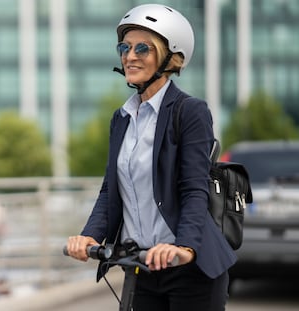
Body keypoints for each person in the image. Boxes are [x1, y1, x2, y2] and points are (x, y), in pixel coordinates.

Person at [66, 4, 236, 311]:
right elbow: (110, 189)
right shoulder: (122, 118)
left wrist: (184, 247)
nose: (130, 56)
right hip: (141, 266)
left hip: (191, 269)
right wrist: (89, 236)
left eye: (142, 48)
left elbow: (194, 188)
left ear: (171, 57)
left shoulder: (190, 111)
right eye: (125, 47)